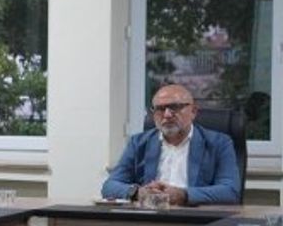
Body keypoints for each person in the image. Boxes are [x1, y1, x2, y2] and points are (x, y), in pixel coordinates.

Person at [101, 83, 240, 205]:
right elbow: (109, 186)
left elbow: (230, 191)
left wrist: (184, 195)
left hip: (195, 217)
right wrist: (138, 192)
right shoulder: (138, 143)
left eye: (175, 107)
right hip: (150, 215)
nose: (167, 115)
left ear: (193, 111)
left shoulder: (219, 143)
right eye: (160, 109)